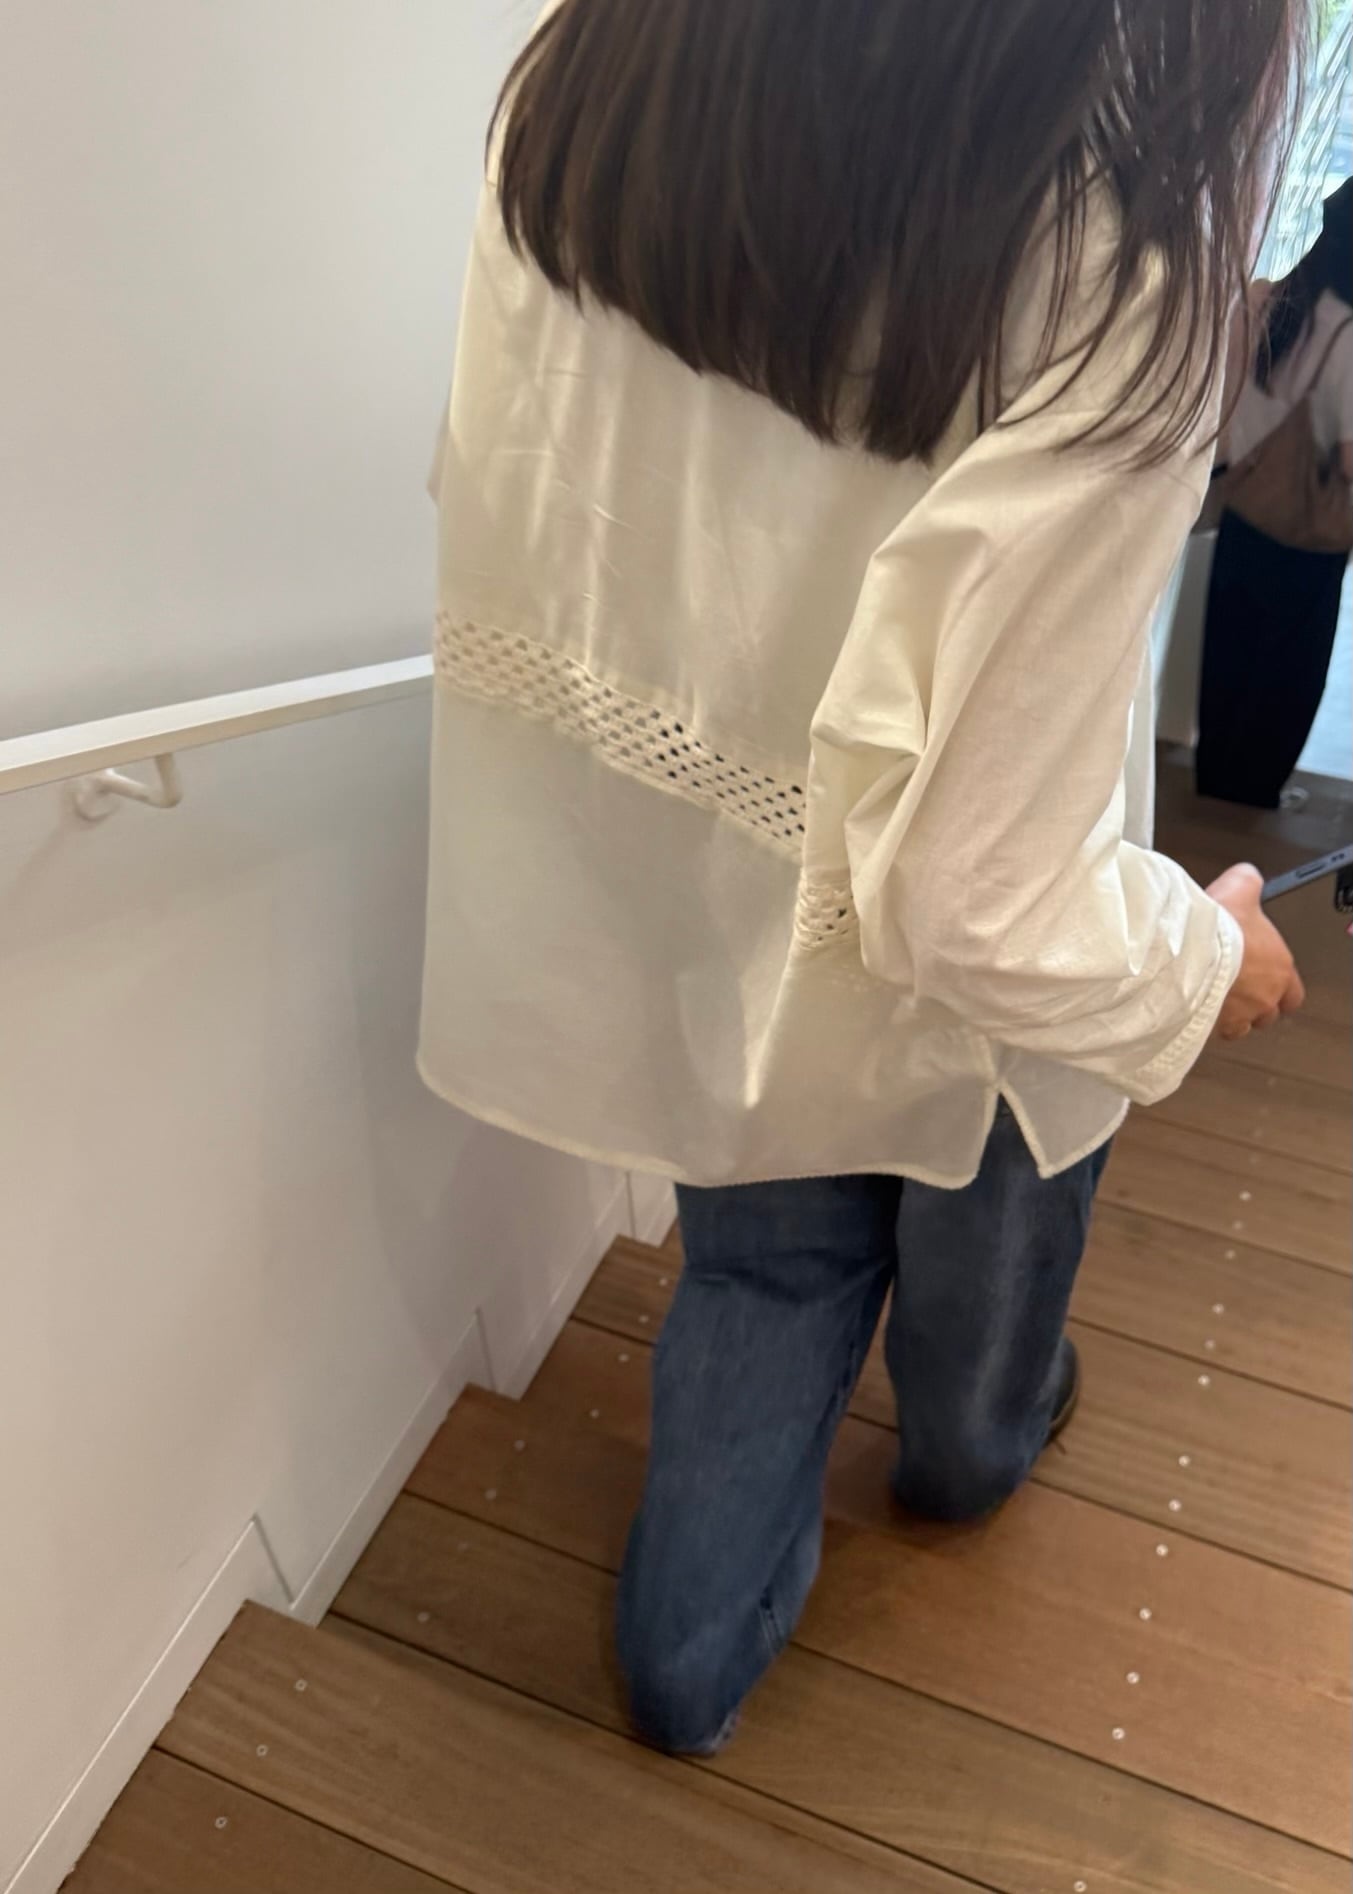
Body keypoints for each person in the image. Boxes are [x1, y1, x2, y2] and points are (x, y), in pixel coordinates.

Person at [421, 0, 1306, 1755]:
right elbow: (979, 901)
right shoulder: (1107, 270)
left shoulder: (598, 95)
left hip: (718, 915)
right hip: (995, 972)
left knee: (758, 1272)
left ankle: (686, 1659)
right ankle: (965, 1458)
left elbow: (503, 500)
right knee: (984, 1311)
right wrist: (1208, 953)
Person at [1197, 178, 1353, 805]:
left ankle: (1212, 790)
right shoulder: (1349, 333)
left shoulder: (1269, 297)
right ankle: (1253, 799)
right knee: (1286, 673)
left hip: (1244, 506)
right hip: (1309, 534)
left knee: (1228, 656)